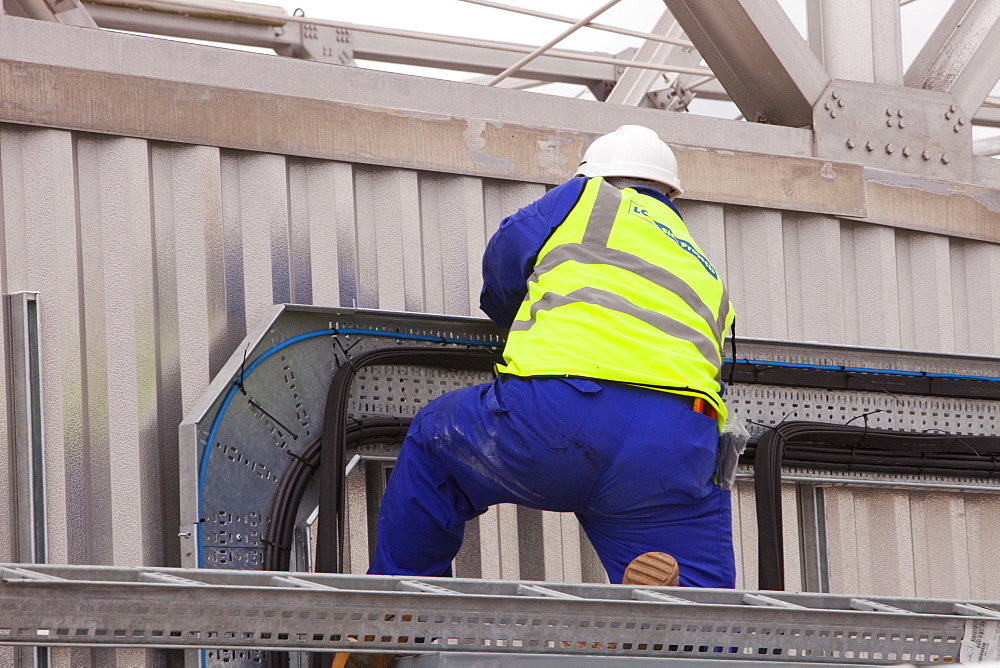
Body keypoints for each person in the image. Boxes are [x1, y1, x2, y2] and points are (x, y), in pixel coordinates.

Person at [367, 124, 736, 588]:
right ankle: (678, 630)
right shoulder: (703, 263)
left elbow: (505, 263)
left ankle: (402, 610)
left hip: (563, 412)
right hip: (677, 441)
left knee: (434, 439)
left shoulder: (586, 197)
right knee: (706, 614)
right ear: (671, 195)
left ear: (595, 173)